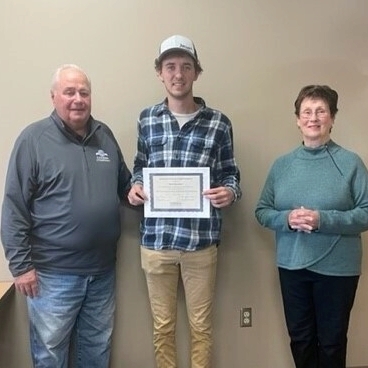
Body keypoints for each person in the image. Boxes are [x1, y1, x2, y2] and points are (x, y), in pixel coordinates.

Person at [1, 64, 131, 368]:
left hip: (102, 272)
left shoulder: (105, 136)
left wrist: (140, 191)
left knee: (97, 351)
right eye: (69, 92)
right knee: (50, 356)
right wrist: (21, 267)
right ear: (53, 97)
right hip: (51, 276)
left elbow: (124, 185)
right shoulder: (33, 140)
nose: (78, 99)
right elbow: (14, 205)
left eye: (84, 92)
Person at [127, 35, 241, 368]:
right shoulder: (147, 119)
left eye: (186, 67)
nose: (178, 74)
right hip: (157, 242)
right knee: (162, 328)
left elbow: (231, 174)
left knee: (201, 328)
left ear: (196, 73)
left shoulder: (219, 123)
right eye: (171, 67)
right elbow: (139, 167)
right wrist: (135, 187)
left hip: (200, 243)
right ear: (160, 73)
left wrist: (229, 192)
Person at [255, 85, 368, 368]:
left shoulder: (351, 163)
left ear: (332, 118)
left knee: (331, 342)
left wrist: (322, 220)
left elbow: (366, 213)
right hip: (292, 267)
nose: (313, 118)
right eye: (307, 111)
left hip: (338, 270)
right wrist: (287, 219)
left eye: (321, 111)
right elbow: (262, 211)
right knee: (301, 339)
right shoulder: (282, 165)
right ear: (297, 119)